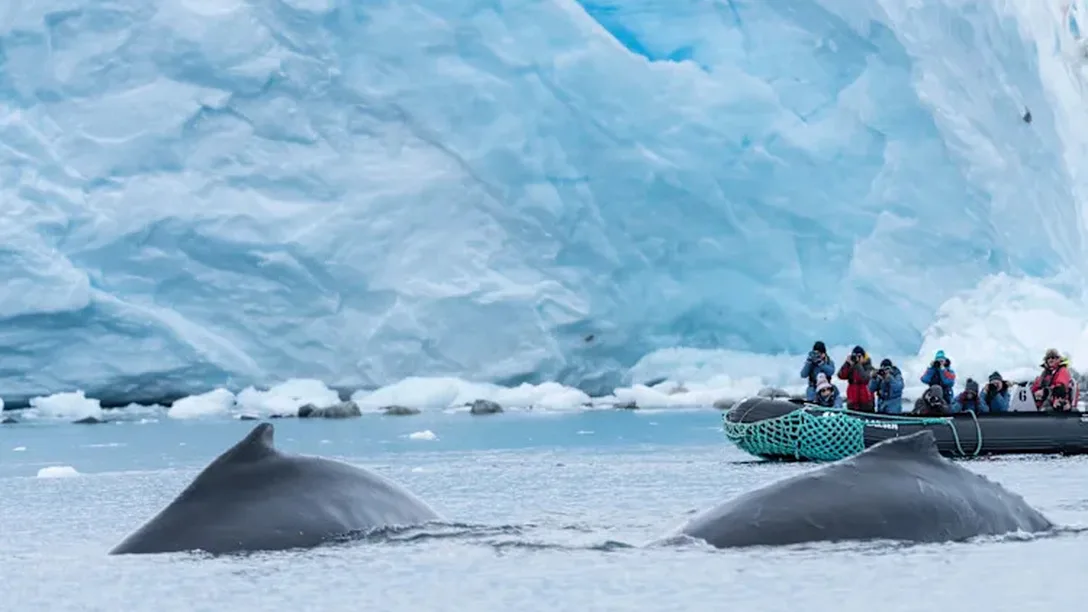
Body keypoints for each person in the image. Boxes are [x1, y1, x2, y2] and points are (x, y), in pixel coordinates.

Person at [837, 345, 875, 412]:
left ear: (863, 357)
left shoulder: (870, 368)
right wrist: (847, 363)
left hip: (866, 404)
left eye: (859, 356)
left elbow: (865, 378)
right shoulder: (851, 368)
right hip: (852, 403)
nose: (857, 358)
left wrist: (858, 364)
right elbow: (841, 375)